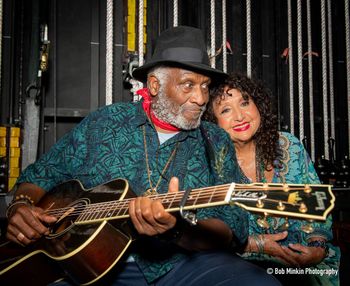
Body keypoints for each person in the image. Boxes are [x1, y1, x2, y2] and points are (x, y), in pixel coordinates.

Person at [3, 27, 280, 285]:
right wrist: (21, 206)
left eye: (206, 86)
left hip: (180, 266)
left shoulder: (215, 140)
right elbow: (41, 174)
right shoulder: (104, 122)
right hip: (86, 266)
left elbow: (233, 226)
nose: (200, 97)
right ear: (155, 85)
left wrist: (177, 230)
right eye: (188, 85)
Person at [204, 72, 341, 285]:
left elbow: (318, 209)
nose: (240, 116)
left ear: (258, 106)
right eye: (226, 110)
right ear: (214, 122)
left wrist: (317, 248)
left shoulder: (288, 146)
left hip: (305, 262)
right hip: (240, 264)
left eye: (245, 103)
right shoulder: (208, 164)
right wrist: (253, 244)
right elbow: (204, 233)